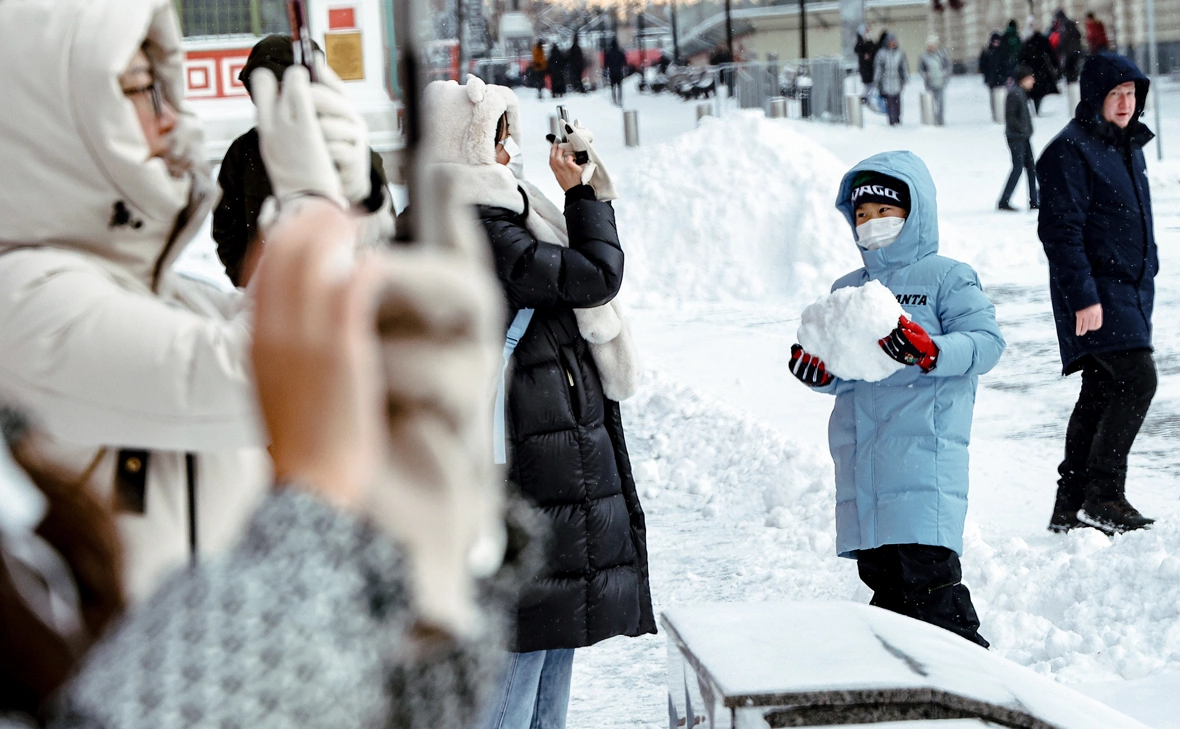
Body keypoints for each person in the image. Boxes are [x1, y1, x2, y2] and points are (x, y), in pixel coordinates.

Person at [0, 185, 516, 729]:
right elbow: (239, 372)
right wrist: (314, 197)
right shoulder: (26, 295)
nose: (176, 123)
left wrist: (425, 594)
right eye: (141, 93)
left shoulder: (177, 295)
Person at [423, 76, 654, 729]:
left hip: (545, 451)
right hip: (529, 459)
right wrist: (581, 195)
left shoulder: (492, 216)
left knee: (551, 639)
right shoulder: (481, 227)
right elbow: (594, 276)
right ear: (466, 143)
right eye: (500, 137)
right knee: (525, 640)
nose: (511, 152)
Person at [789, 152, 1005, 648]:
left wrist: (932, 352)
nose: (872, 225)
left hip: (923, 464)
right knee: (886, 595)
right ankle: (904, 697)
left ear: (913, 213)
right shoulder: (849, 288)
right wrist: (818, 373)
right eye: (861, 216)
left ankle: (975, 691)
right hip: (863, 469)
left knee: (931, 588)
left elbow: (986, 344)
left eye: (884, 212)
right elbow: (849, 372)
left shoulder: (947, 277)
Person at [1036, 54, 1158, 535]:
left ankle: (1070, 504)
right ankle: (1104, 496)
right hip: (1096, 291)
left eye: (1132, 93)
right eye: (1116, 94)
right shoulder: (1071, 150)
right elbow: (1061, 232)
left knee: (1102, 389)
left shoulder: (1126, 146)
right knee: (1137, 379)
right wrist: (1084, 296)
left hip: (1127, 289)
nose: (1126, 103)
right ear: (1095, 97)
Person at [213, 34, 393, 288]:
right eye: (266, 88)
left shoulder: (343, 144)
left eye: (284, 85)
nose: (277, 97)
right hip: (268, 294)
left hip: (340, 291)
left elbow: (382, 227)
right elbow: (226, 227)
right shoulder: (242, 152)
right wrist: (250, 277)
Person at [998, 66, 1039, 211]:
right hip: (1017, 137)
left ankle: (1034, 199)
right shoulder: (1015, 93)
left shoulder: (1020, 93)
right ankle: (1004, 200)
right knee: (1018, 168)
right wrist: (1023, 130)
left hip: (1023, 136)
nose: (1033, 81)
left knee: (1031, 168)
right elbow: (1011, 117)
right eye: (1030, 78)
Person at [1019, 19, 1060, 113]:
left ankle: (1035, 106)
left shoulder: (1028, 42)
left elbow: (1022, 57)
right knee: (1039, 90)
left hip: (1031, 69)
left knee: (1032, 89)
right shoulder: (1043, 40)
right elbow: (1051, 54)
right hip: (1041, 69)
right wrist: (1055, 65)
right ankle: (1037, 106)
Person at [874, 34, 909, 126]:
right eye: (890, 41)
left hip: (897, 80)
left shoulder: (900, 53)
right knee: (889, 101)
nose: (892, 43)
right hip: (886, 81)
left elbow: (903, 66)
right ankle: (891, 119)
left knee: (897, 100)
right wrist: (877, 79)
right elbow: (878, 67)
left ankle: (897, 118)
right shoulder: (881, 53)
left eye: (894, 41)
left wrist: (905, 77)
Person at [919, 35, 952, 125]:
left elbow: (948, 66)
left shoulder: (942, 54)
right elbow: (920, 69)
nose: (931, 47)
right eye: (929, 45)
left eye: (933, 45)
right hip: (929, 83)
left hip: (940, 82)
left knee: (940, 103)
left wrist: (945, 75)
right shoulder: (923, 56)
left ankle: (940, 120)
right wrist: (925, 75)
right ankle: (931, 119)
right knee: (931, 103)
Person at [1050, 10, 1085, 84]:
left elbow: (1063, 39)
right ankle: (1073, 83)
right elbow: (1078, 35)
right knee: (1073, 69)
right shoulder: (1070, 23)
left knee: (1069, 71)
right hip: (1075, 49)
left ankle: (1072, 85)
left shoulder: (1063, 25)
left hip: (1069, 51)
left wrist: (1059, 49)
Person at [855, 25, 879, 97]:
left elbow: (874, 49)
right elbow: (859, 50)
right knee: (868, 86)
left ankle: (866, 98)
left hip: (870, 68)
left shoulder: (869, 42)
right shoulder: (860, 44)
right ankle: (865, 99)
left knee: (870, 86)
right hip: (866, 69)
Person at [607, 38, 627, 105]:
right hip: (619, 72)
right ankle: (620, 100)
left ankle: (614, 100)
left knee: (613, 87)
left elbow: (606, 63)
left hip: (612, 72)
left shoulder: (609, 53)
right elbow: (625, 62)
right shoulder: (620, 52)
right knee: (619, 87)